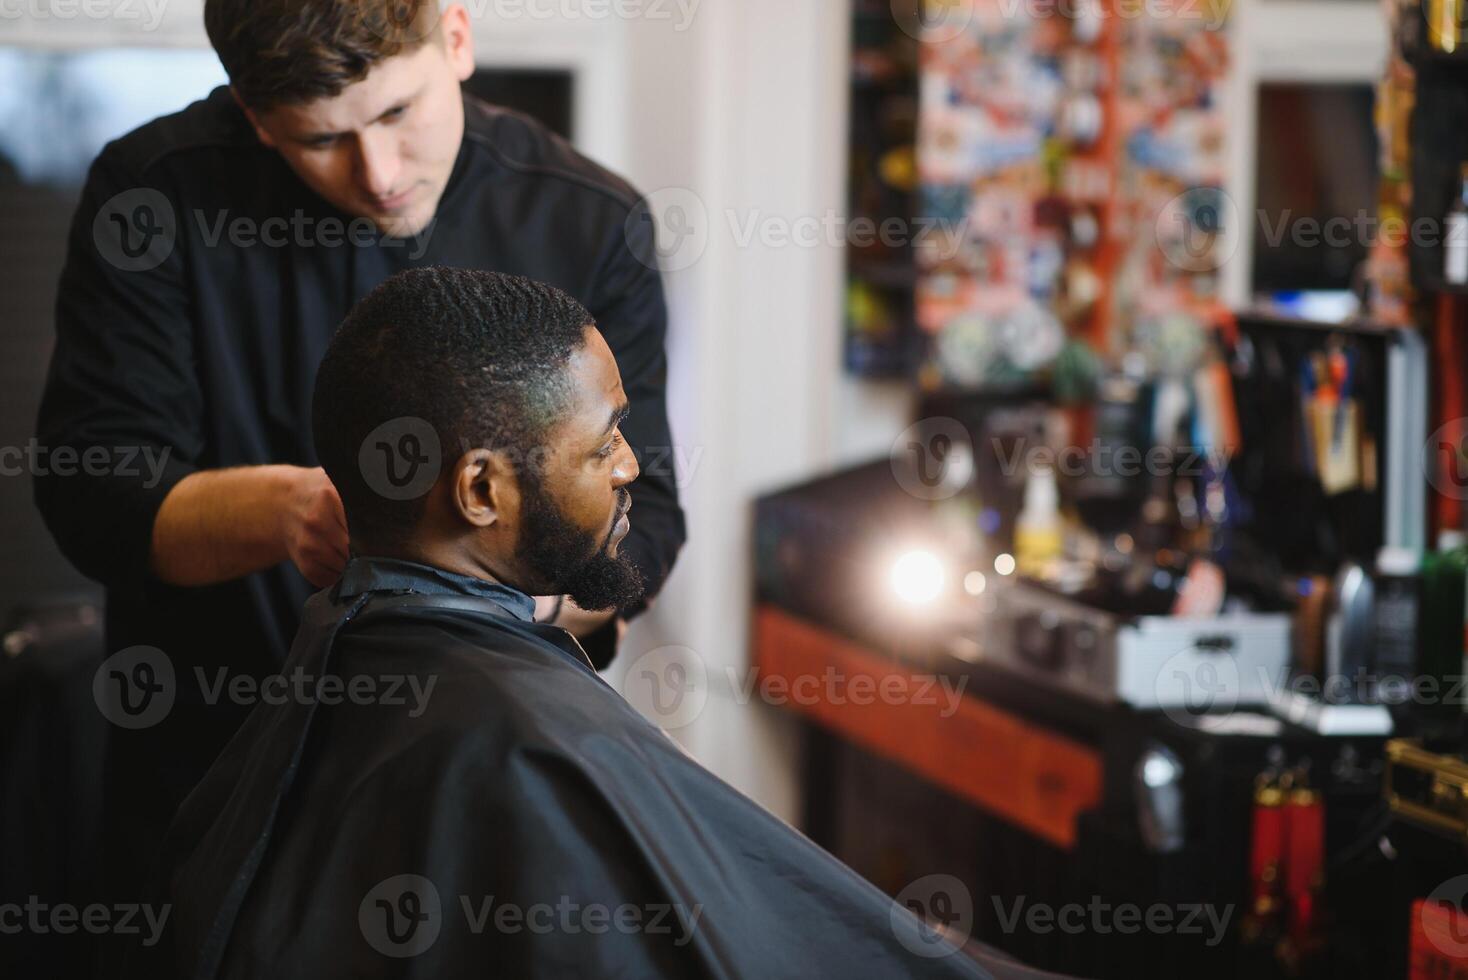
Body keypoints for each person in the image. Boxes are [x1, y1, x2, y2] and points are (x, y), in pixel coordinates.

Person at [124, 268, 1059, 980]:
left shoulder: (352, 648)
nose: (626, 468)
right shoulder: (522, 749)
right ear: (481, 490)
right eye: (603, 438)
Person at [33, 0, 684, 916]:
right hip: (212, 786)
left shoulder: (588, 221)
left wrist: (502, 585)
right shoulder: (157, 193)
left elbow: (645, 522)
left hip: (482, 786)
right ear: (255, 117)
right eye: (318, 140)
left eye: (395, 115)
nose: (377, 175)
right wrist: (287, 511)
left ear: (455, 37)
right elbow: (95, 499)